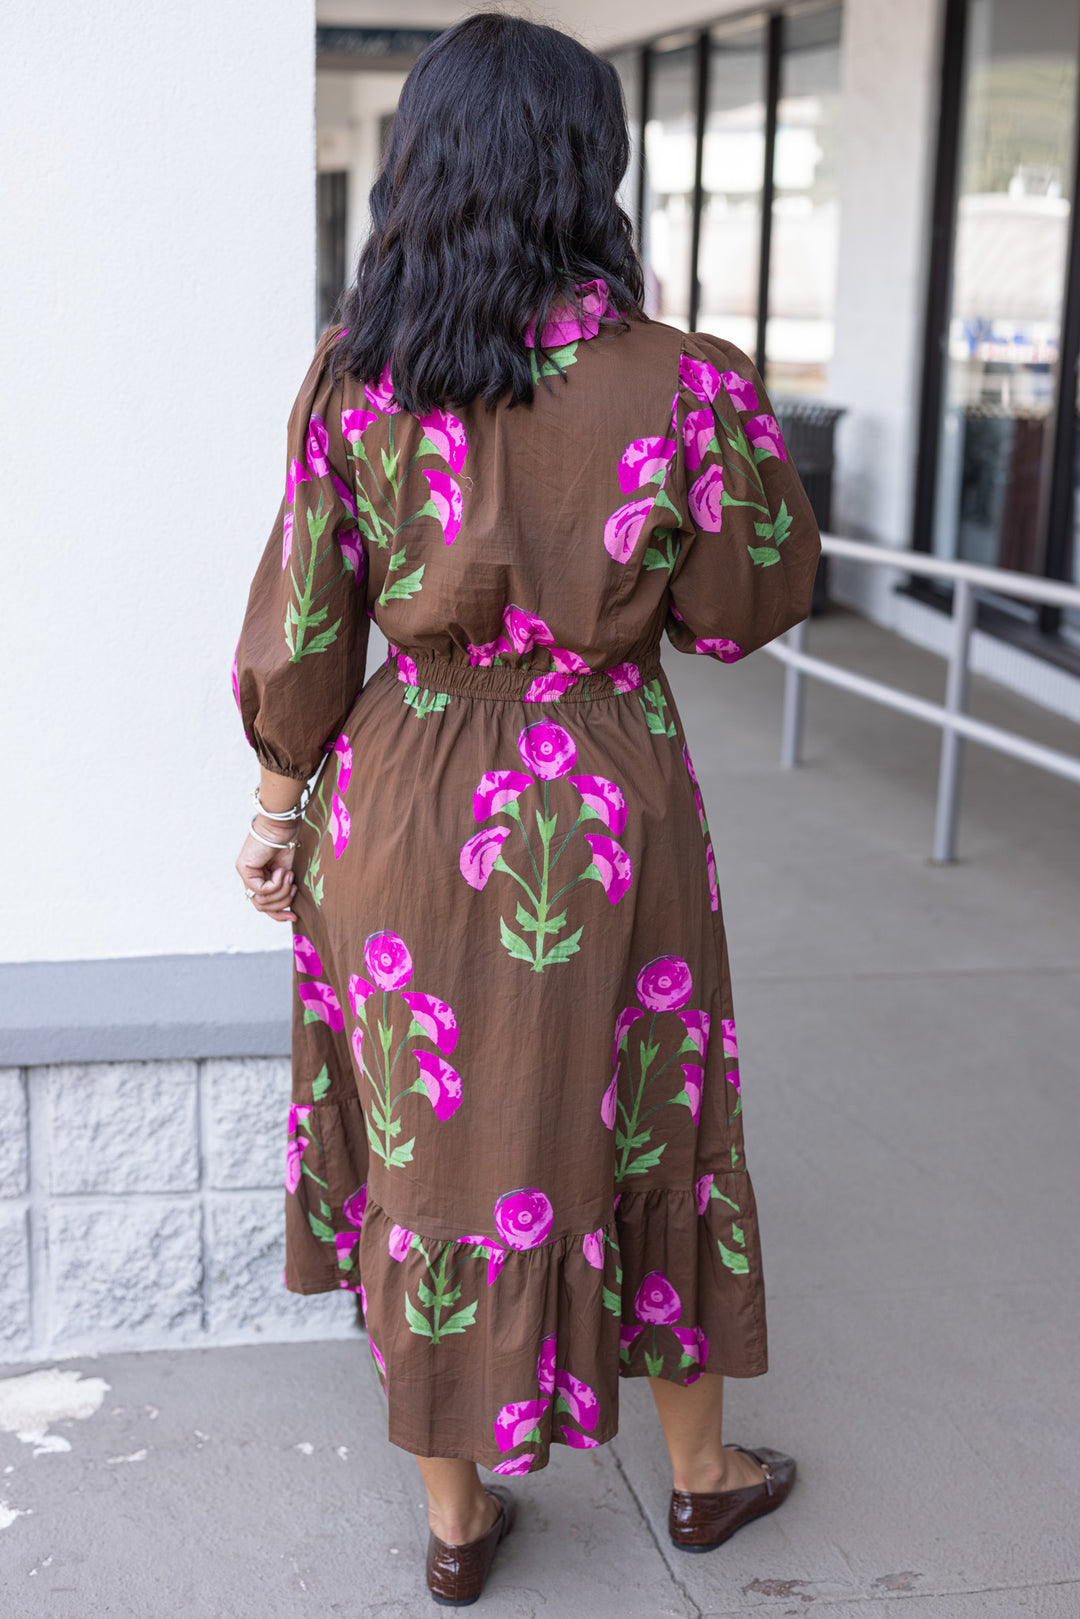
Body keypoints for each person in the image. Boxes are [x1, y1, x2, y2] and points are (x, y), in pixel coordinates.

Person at [233, 13, 820, 1607]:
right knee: (655, 1118)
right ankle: (702, 1476)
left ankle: (455, 1518)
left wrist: (278, 812)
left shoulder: (355, 378)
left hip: (403, 798)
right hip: (612, 802)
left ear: (418, 168)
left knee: (421, 1143)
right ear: (590, 169)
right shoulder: (686, 381)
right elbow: (741, 608)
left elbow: (305, 626)